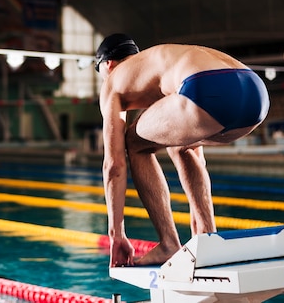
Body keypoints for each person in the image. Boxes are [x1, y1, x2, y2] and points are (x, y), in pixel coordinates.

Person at [95, 33, 269, 267]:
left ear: (108, 64)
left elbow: (113, 164)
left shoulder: (113, 80)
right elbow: (192, 146)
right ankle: (208, 237)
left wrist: (116, 234)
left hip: (208, 87)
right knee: (180, 146)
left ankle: (169, 244)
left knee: (135, 144)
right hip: (256, 94)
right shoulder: (156, 63)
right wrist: (198, 216)